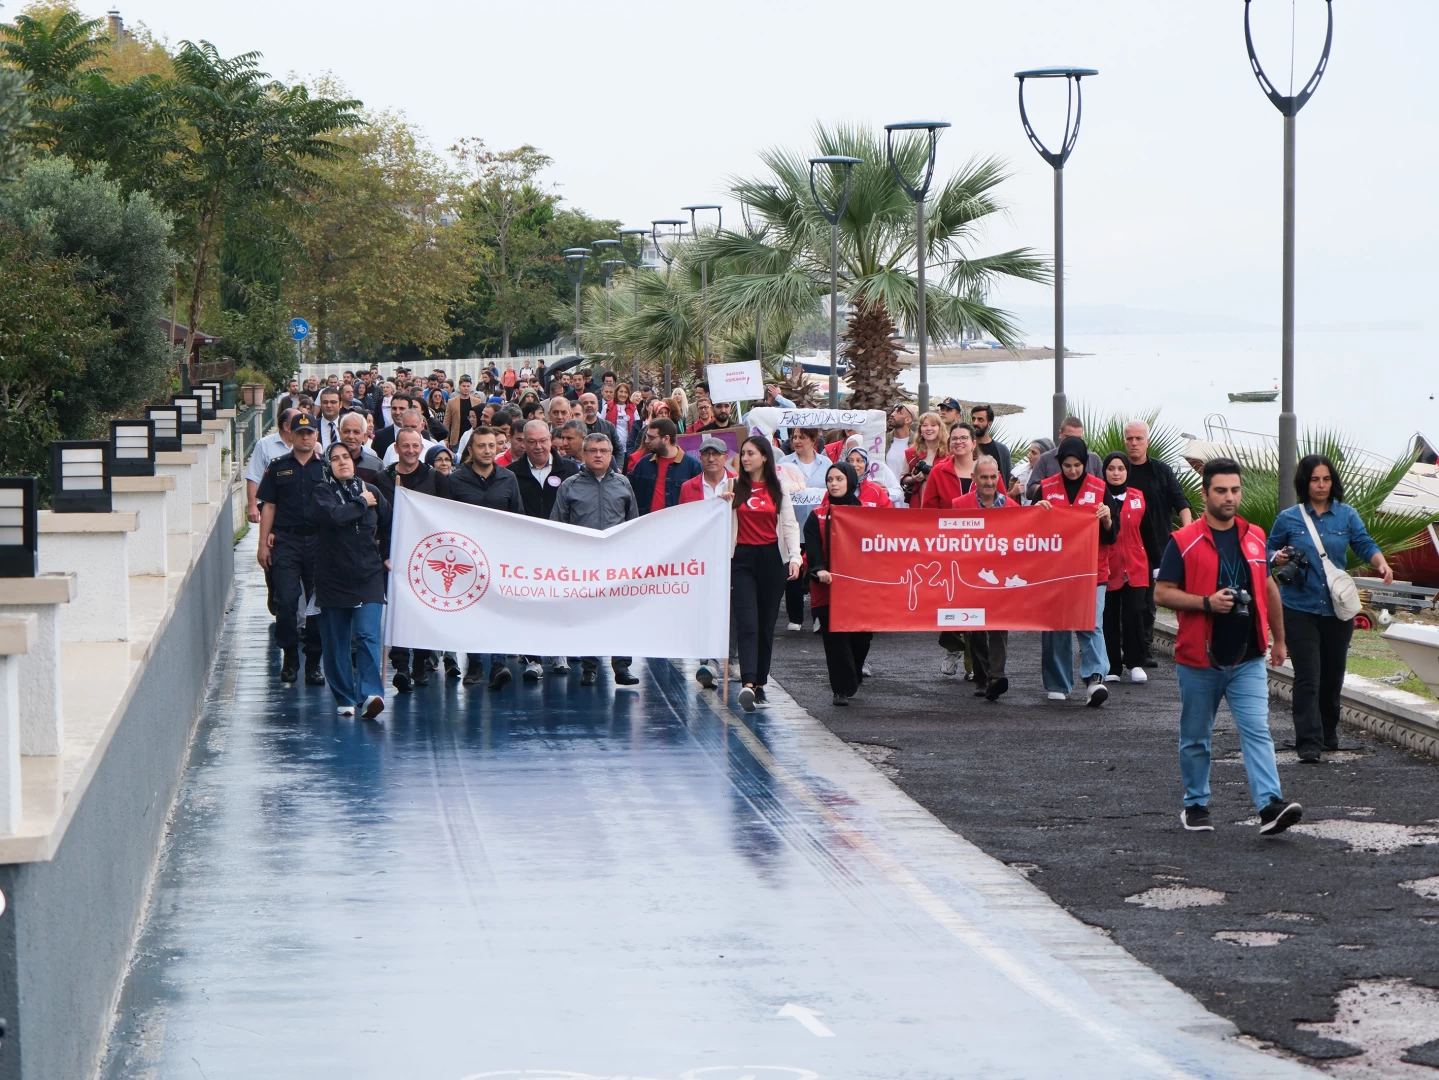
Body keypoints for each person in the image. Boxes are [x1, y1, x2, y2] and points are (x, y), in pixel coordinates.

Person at [1155, 458, 1302, 835]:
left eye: (1235, 490)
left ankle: (1270, 805)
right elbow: (1161, 593)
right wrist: (1207, 602)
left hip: (1248, 656)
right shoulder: (1182, 542)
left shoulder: (1255, 536)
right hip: (1199, 659)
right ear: (1204, 494)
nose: (1229, 497)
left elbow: (1267, 587)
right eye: (1221, 490)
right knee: (1196, 737)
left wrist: (1280, 639)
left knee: (1256, 729)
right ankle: (1195, 804)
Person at [1268, 454, 1393, 763]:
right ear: (1304, 483)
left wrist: (1381, 563)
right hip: (1299, 606)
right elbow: (1268, 548)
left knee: (1333, 674)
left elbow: (1364, 543)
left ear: (1333, 482)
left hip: (1338, 609)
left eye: (1326, 479)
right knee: (1308, 675)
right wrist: (1278, 558)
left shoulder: (1346, 515)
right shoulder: (1290, 517)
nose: (1321, 485)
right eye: (1314, 479)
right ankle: (1308, 742)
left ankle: (1327, 731)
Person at [550, 434, 641, 686]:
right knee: (586, 615)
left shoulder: (623, 484)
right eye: (593, 451)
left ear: (611, 454)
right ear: (585, 453)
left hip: (616, 562)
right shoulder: (569, 485)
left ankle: (622, 667)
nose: (598, 455)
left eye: (603, 450)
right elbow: (557, 524)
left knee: (620, 614)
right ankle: (590, 667)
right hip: (583, 563)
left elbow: (633, 522)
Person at [722, 436, 802, 712]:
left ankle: (760, 684)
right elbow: (718, 517)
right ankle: (747, 682)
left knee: (766, 626)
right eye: (743, 454)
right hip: (741, 559)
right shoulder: (732, 486)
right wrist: (722, 502)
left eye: (751, 453)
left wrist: (795, 558)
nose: (745, 458)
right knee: (748, 623)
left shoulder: (778, 487)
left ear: (765, 457)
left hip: (771, 559)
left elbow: (789, 525)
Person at [1035, 436, 1116, 706]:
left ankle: (1095, 678)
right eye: (1067, 465)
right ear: (1059, 464)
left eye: (1077, 465)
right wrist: (1036, 512)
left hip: (1093, 571)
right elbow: (1028, 533)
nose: (1072, 470)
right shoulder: (1044, 489)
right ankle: (1058, 682)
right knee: (1056, 626)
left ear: (1085, 463)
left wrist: (1106, 519)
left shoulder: (1100, 488)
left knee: (1091, 623)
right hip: (1055, 572)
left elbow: (1113, 535)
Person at [311, 442, 389, 721]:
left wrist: (387, 554)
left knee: (368, 635)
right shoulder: (322, 492)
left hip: (368, 575)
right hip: (333, 577)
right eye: (335, 458)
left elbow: (391, 521)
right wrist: (360, 503)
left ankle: (370, 694)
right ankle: (344, 696)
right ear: (328, 465)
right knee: (337, 641)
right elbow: (334, 517)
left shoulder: (372, 491)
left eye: (346, 457)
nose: (343, 462)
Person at [375, 428, 451, 692]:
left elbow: (446, 517)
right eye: (404, 446)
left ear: (421, 448)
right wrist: (384, 554)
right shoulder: (382, 479)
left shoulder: (435, 479)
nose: (410, 451)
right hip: (393, 555)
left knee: (423, 610)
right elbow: (377, 522)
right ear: (396, 449)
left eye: (415, 446)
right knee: (397, 610)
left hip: (426, 556)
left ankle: (420, 663)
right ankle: (401, 666)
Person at [449, 426, 524, 689]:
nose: (487, 451)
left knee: (499, 610)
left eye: (492, 446)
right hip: (466, 559)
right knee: (471, 612)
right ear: (470, 449)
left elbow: (518, 517)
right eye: (481, 446)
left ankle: (499, 664)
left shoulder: (508, 479)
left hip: (499, 557)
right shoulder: (455, 480)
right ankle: (475, 664)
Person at [256, 413, 326, 685]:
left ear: (316, 436)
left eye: (310, 433)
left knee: (316, 606)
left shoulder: (326, 467)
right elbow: (269, 506)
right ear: (291, 436)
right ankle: (289, 656)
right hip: (286, 542)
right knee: (285, 601)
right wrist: (263, 544)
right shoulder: (278, 467)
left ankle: (313, 662)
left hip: (319, 543)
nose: (305, 437)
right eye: (300, 433)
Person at [1123, 420, 1194, 667]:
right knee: (1126, 602)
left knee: (1148, 602)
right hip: (1123, 548)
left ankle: (1144, 650)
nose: (1134, 443)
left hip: (1157, 547)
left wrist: (1189, 536)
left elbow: (1182, 503)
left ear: (1147, 441)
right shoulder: (1118, 470)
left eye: (1138, 438)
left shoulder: (1161, 471)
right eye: (1130, 438)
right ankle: (1121, 648)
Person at [804, 462, 873, 706]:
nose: (833, 483)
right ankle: (840, 688)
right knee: (835, 639)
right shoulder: (817, 516)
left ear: (850, 482)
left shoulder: (866, 514)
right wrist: (819, 569)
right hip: (828, 589)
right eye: (830, 479)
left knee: (861, 638)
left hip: (859, 589)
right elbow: (812, 550)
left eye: (839, 479)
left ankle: (853, 673)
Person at [949, 455, 1014, 700]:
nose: (989, 482)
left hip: (1000, 578)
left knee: (999, 628)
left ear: (999, 477)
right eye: (984, 477)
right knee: (975, 629)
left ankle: (996, 676)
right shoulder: (959, 504)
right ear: (974, 478)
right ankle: (981, 676)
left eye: (993, 476)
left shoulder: (1011, 507)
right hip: (970, 577)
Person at [1101, 452, 1151, 685]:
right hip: (1107, 566)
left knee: (1134, 615)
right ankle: (1112, 665)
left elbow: (1150, 534)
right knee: (1109, 617)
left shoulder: (1138, 497)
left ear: (1127, 472)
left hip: (1136, 566)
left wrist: (1158, 565)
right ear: (1105, 471)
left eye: (1120, 468)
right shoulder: (1098, 499)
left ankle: (1135, 662)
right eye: (1111, 468)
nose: (1116, 473)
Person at [630, 418, 702, 514]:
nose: (646, 441)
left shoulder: (693, 466)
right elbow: (627, 488)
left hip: (676, 525)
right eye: (647, 436)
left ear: (666, 439)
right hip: (646, 525)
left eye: (651, 437)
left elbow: (703, 498)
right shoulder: (644, 463)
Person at [1026, 416, 1102, 502]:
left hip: (1085, 512)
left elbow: (1102, 489)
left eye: (1078, 438)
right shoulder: (1045, 459)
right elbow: (1030, 491)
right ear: (1060, 434)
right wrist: (1051, 490)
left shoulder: (1094, 459)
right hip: (1054, 512)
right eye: (1068, 437)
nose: (1073, 442)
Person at [245, 408, 297, 524]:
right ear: (286, 426)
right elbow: (253, 476)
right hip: (271, 506)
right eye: (296, 423)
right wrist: (252, 506)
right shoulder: (264, 445)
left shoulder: (303, 444)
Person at [919, 424, 978, 508]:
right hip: (947, 521)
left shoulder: (988, 470)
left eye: (964, 438)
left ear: (973, 443)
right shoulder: (937, 472)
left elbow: (1002, 508)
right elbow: (929, 511)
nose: (958, 442)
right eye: (954, 439)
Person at [901, 411, 947, 505]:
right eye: (925, 425)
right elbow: (903, 478)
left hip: (942, 502)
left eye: (933, 425)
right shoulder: (911, 453)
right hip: (918, 502)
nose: (929, 429)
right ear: (920, 429)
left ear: (940, 429)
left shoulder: (949, 452)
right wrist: (914, 479)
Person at [680, 436, 736, 503]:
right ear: (700, 458)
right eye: (706, 454)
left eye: (716, 454)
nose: (711, 459)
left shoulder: (740, 482)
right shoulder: (687, 488)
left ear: (725, 458)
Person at [844, 441, 901, 506]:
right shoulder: (839, 487)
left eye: (859, 460)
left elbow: (887, 513)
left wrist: (888, 492)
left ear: (866, 464)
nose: (854, 464)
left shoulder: (876, 490)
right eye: (850, 461)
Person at [969, 404, 1012, 486]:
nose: (975, 423)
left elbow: (1007, 480)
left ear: (989, 423)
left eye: (980, 420)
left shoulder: (1002, 450)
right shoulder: (967, 447)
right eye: (973, 419)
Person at [338, 412, 383, 482]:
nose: (350, 436)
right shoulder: (329, 461)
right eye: (346, 431)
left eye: (356, 432)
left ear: (364, 436)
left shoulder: (376, 465)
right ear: (339, 433)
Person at [577, 392, 621, 460]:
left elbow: (619, 449)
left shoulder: (608, 426)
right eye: (585, 403)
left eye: (592, 402)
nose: (589, 405)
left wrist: (618, 467)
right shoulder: (575, 428)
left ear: (597, 406)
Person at [1012, 438, 1053, 504]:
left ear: (1045, 456)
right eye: (1030, 451)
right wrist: (1012, 493)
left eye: (1034, 453)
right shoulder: (1018, 474)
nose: (1028, 456)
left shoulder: (1056, 477)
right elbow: (1004, 502)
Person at [885, 404, 915, 495]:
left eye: (899, 412)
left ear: (908, 420)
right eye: (894, 411)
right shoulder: (883, 441)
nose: (893, 414)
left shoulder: (918, 443)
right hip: (888, 495)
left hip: (909, 496)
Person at [444, 374, 478, 448]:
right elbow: (447, 422)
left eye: (468, 386)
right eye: (464, 386)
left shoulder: (477, 401)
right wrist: (445, 439)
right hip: (457, 438)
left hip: (473, 436)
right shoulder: (451, 402)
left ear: (471, 387)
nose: (466, 388)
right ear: (459, 387)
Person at [606, 382, 638, 451]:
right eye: (621, 391)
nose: (623, 394)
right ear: (616, 393)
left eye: (626, 392)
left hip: (628, 447)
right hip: (611, 447)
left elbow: (637, 426)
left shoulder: (633, 408)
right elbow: (601, 424)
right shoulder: (607, 406)